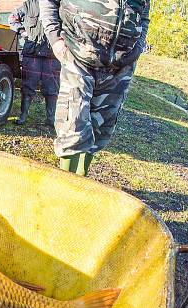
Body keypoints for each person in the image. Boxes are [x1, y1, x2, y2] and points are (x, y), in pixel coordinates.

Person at [39, 0, 149, 176]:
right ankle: (66, 187)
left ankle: (83, 183)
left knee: (101, 130)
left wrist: (138, 46)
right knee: (73, 127)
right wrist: (54, 38)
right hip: (79, 54)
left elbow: (144, 14)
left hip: (121, 65)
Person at [10, 0, 60, 128]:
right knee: (27, 88)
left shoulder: (59, 5)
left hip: (52, 55)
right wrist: (22, 31)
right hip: (32, 54)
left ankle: (51, 119)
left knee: (52, 89)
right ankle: (23, 116)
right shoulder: (27, 5)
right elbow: (12, 19)